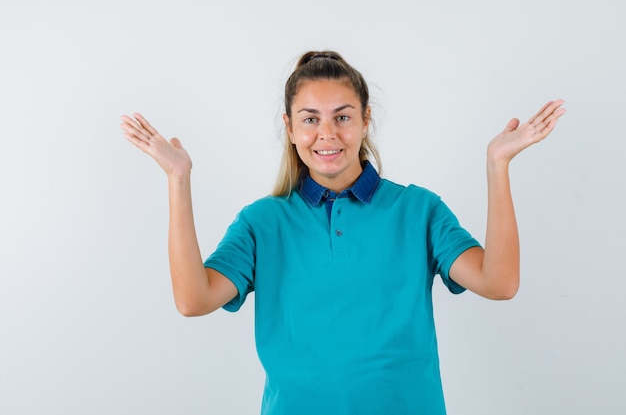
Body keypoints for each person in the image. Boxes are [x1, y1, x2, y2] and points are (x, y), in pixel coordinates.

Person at [120, 50, 565, 415]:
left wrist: (497, 165)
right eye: (310, 119)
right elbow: (193, 300)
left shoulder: (417, 209)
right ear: (290, 128)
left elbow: (500, 283)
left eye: (343, 117)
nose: (327, 134)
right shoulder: (262, 222)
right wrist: (178, 179)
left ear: (366, 120)